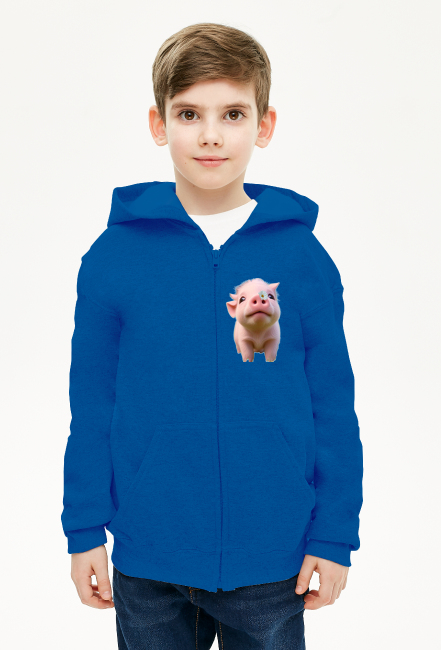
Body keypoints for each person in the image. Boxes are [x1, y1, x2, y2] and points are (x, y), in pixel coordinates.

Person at [61, 22, 363, 649]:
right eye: (188, 113)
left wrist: (334, 535)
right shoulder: (113, 257)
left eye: (232, 114)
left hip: (272, 562)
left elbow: (332, 406)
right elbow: (91, 406)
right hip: (149, 559)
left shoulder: (302, 258)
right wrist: (84, 528)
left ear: (264, 125)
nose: (210, 134)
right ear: (158, 123)